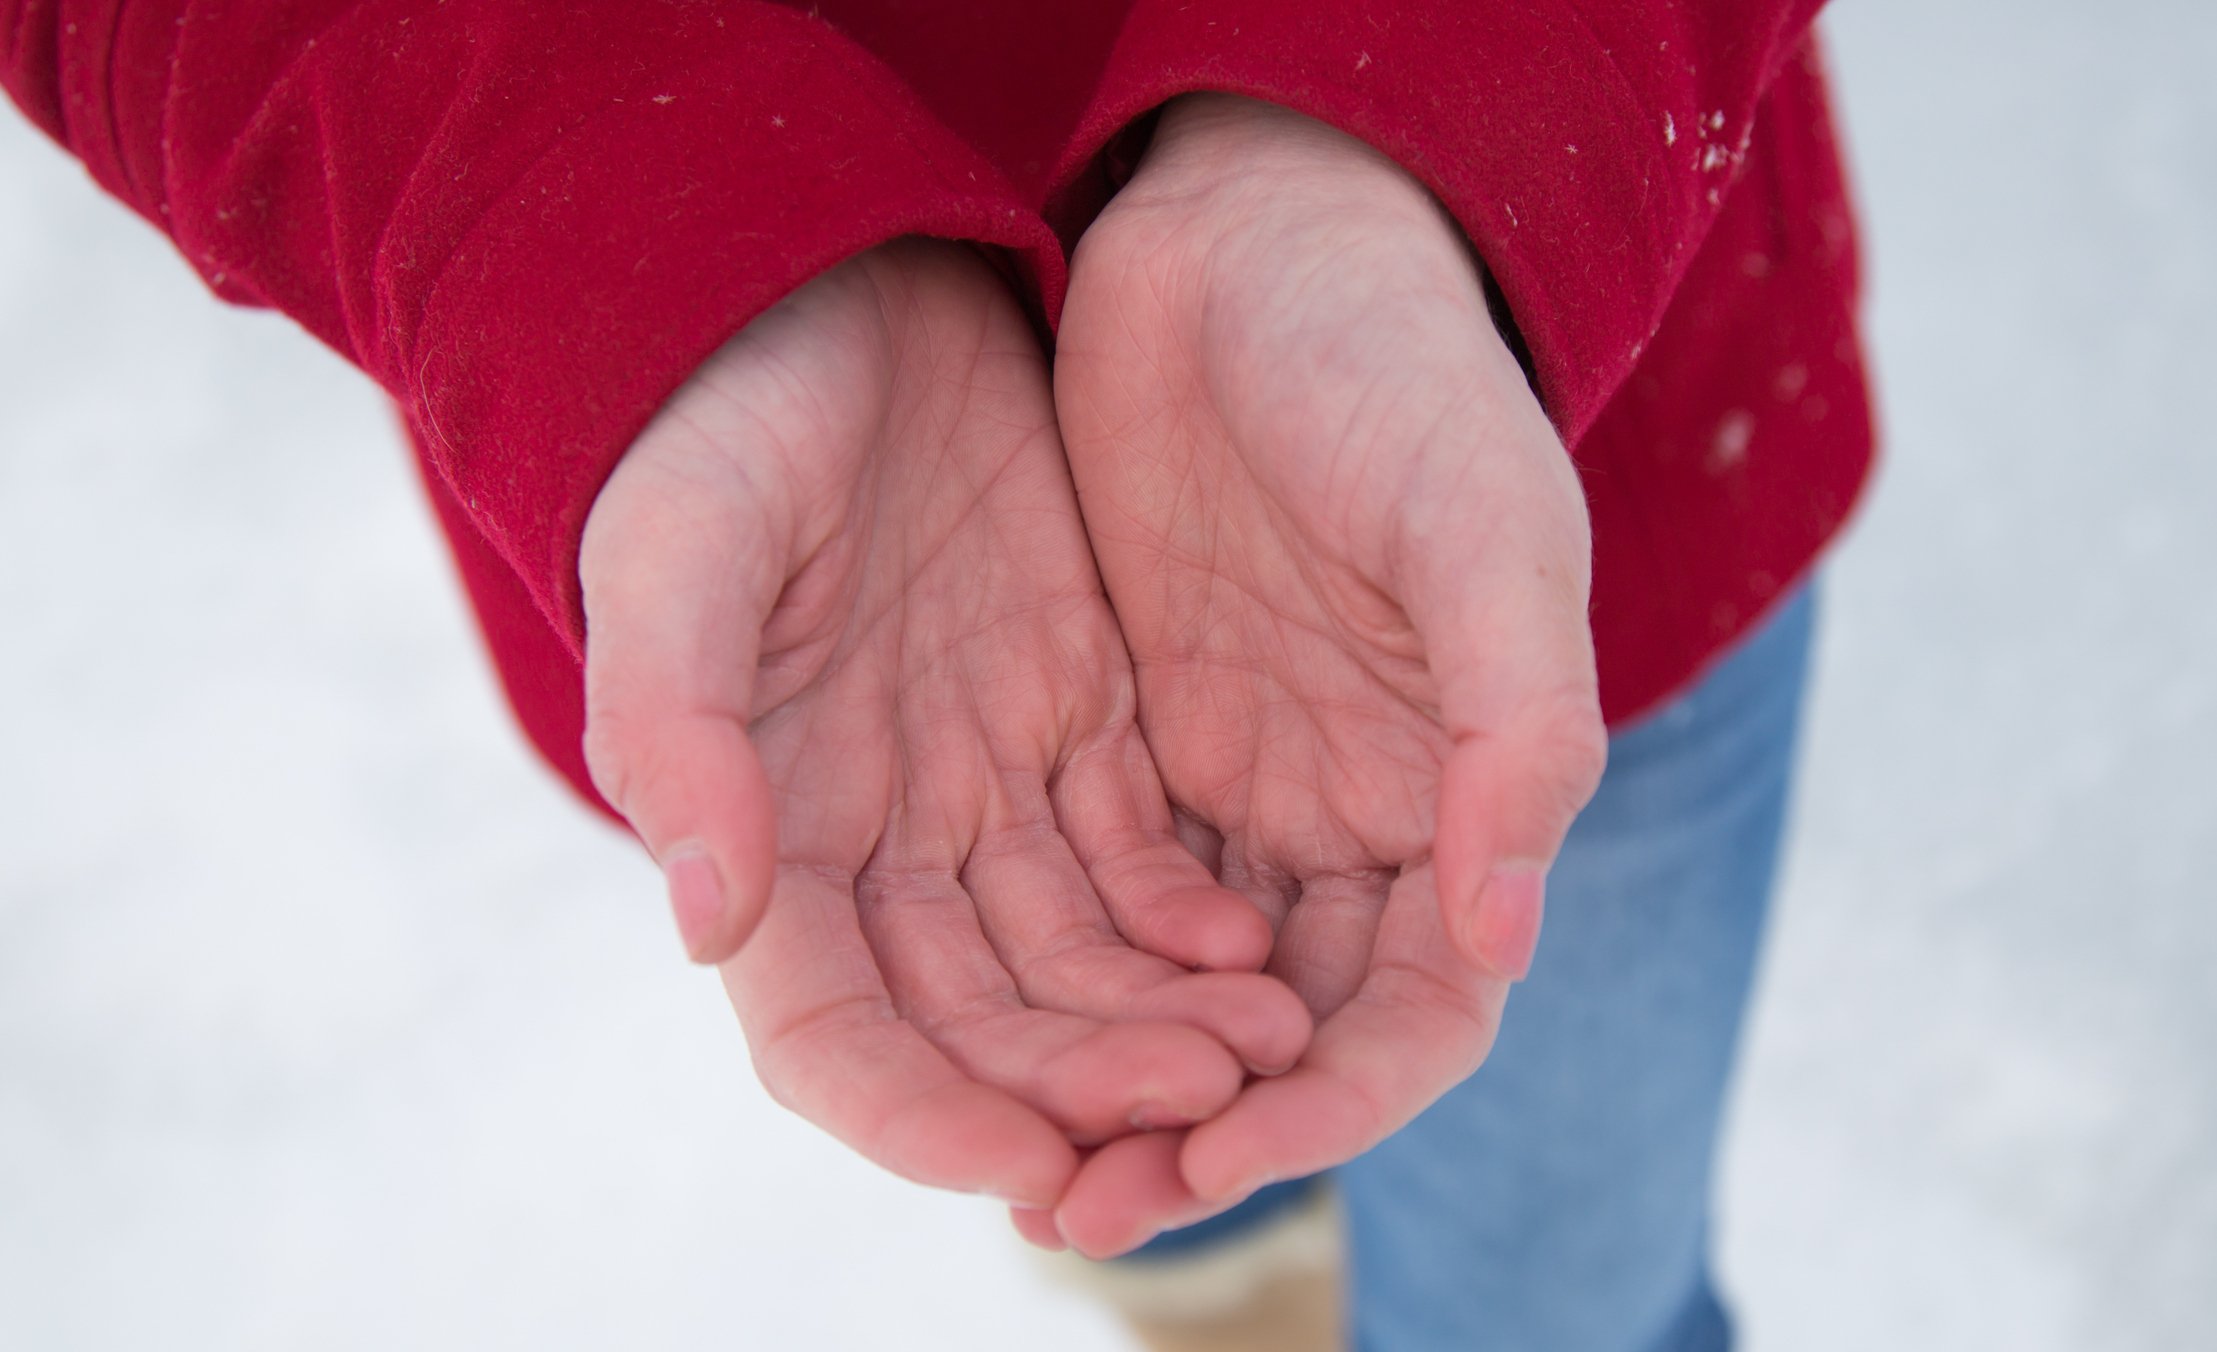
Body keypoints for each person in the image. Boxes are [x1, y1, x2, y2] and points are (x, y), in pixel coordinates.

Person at [2, 2, 1872, 1348]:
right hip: (807, 594)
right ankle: (1216, 1299)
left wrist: (1409, 118)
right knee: (1126, 1135)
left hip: (1517, 451)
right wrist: (613, 229)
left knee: (1556, 1296)